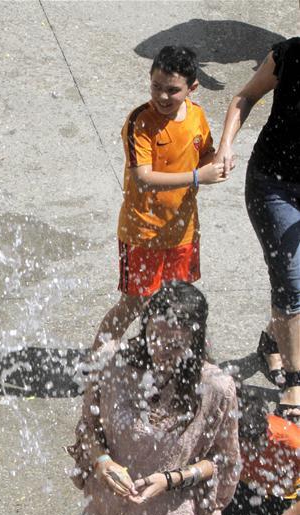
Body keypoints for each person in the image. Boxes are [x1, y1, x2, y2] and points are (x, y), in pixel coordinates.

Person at [70, 282, 241, 515]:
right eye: (154, 337)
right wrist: (102, 460)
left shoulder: (215, 388)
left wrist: (170, 480)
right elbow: (87, 427)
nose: (161, 350)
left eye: (175, 344)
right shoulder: (111, 361)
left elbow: (223, 462)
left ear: (195, 339)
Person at [92, 46, 227, 350]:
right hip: (143, 232)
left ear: (193, 87)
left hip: (182, 232)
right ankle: (95, 366)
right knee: (133, 304)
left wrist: (219, 161)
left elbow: (204, 153)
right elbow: (144, 177)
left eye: (172, 90)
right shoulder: (140, 122)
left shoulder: (197, 116)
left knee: (180, 303)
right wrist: (197, 177)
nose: (162, 96)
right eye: (156, 86)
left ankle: (182, 364)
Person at [214, 38, 300, 407]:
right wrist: (225, 146)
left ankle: (273, 340)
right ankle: (295, 385)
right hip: (273, 186)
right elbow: (244, 97)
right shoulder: (290, 55)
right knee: (291, 284)